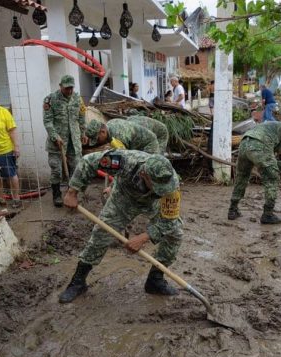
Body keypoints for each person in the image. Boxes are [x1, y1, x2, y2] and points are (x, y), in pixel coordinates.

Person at [58, 150, 183, 303]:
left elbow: (170, 220)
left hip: (154, 203)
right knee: (101, 234)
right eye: (157, 185)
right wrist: (72, 192)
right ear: (145, 174)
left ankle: (155, 280)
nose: (162, 188)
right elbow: (88, 161)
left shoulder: (171, 184)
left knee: (175, 233)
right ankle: (78, 282)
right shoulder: (125, 161)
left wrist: (144, 237)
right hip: (123, 198)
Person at [43, 75, 87, 207]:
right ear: (60, 86)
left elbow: (81, 117)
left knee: (75, 169)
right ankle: (56, 195)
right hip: (57, 142)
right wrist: (55, 136)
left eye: (71, 88)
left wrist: (83, 133)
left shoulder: (78, 99)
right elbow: (48, 121)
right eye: (67, 88)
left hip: (74, 141)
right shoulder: (51, 99)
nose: (69, 91)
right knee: (56, 169)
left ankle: (71, 194)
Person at [85, 118, 160, 154]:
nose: (98, 142)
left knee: (148, 169)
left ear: (103, 132)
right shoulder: (109, 126)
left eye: (97, 139)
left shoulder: (119, 135)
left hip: (149, 144)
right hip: (136, 144)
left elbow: (127, 158)